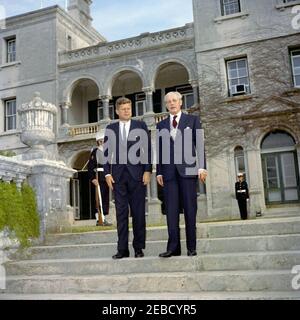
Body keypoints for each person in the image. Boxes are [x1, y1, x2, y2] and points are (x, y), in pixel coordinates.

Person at [156, 91, 208, 258]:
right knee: (171, 212)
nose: (172, 103)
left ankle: (191, 247)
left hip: (188, 171)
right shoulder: (161, 125)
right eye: (169, 101)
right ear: (166, 105)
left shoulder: (192, 121)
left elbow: (199, 144)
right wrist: (159, 171)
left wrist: (202, 167)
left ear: (180, 102)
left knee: (190, 211)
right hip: (169, 173)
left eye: (174, 100)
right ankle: (173, 248)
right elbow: (160, 150)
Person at [103, 97, 152, 260]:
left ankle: (139, 248)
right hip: (118, 177)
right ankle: (122, 249)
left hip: (137, 175)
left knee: (138, 213)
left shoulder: (141, 126)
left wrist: (147, 170)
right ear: (117, 111)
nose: (127, 111)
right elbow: (105, 154)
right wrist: (107, 174)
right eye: (123, 109)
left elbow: (147, 150)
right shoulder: (110, 128)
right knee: (121, 214)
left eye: (129, 108)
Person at [88, 130, 112, 227]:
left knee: (105, 197)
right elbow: (90, 166)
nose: (102, 142)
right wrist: (93, 178)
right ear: (98, 141)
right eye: (100, 140)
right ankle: (99, 219)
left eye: (104, 140)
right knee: (99, 197)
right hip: (98, 176)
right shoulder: (95, 151)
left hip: (106, 176)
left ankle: (104, 217)